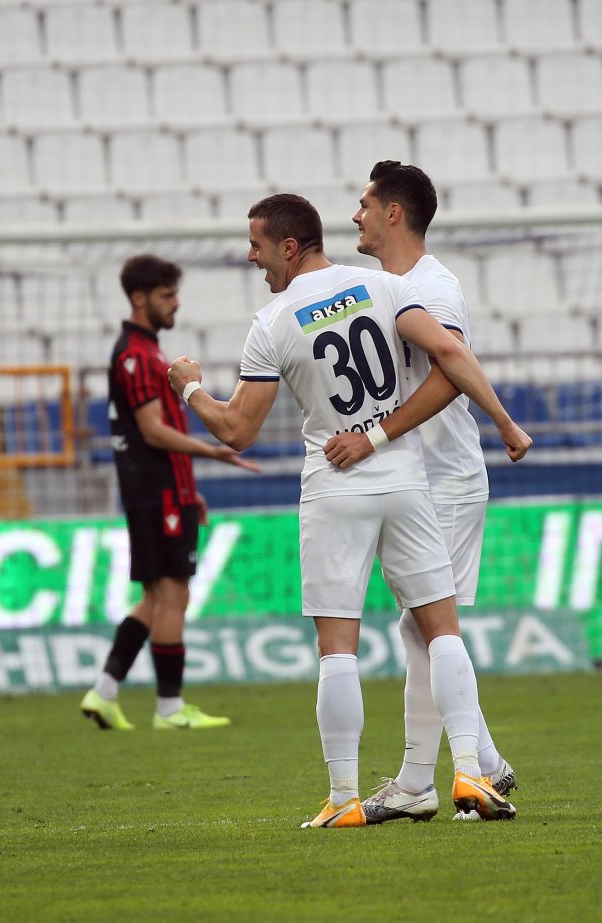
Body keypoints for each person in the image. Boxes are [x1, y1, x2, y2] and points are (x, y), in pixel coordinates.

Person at [168, 195, 532, 827]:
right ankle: (471, 772)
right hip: (406, 481)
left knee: (339, 648)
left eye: (257, 245)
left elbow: (236, 430)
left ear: (288, 247)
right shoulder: (384, 287)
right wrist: (502, 422)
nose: (251, 257)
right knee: (441, 630)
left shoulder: (275, 320)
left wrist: (190, 386)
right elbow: (449, 355)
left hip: (336, 487)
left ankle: (343, 801)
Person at [324, 161, 516, 823]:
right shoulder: (378, 287)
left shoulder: (433, 286)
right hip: (408, 484)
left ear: (394, 214)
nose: (355, 215)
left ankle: (421, 781)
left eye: (364, 203)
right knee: (425, 625)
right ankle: (483, 763)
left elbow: (450, 371)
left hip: (447, 481)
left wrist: (375, 435)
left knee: (423, 627)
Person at [79, 254, 260, 731]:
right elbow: (153, 432)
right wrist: (213, 452)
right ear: (139, 298)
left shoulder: (144, 352)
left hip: (161, 492)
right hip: (155, 493)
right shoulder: (137, 356)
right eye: (166, 295)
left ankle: (104, 692)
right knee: (173, 595)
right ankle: (169, 708)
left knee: (155, 599)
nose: (175, 303)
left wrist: (188, 490)